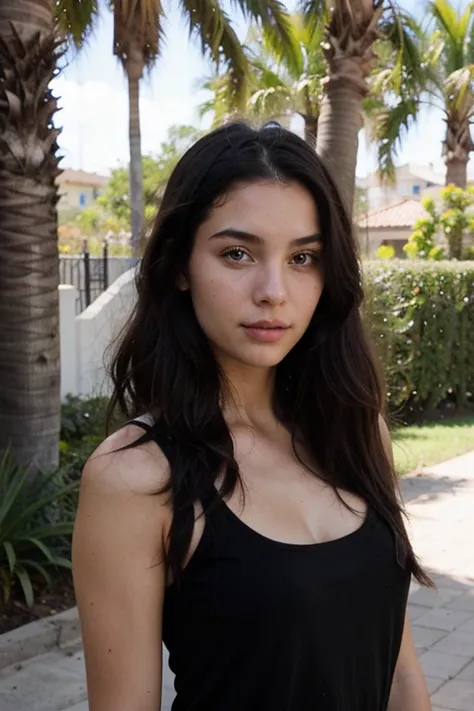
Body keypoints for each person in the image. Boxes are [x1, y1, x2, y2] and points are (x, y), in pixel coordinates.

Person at [72, 121, 433, 711]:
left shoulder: (356, 433)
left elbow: (397, 669)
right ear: (180, 266)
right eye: (237, 253)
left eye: (304, 257)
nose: (274, 290)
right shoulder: (134, 478)